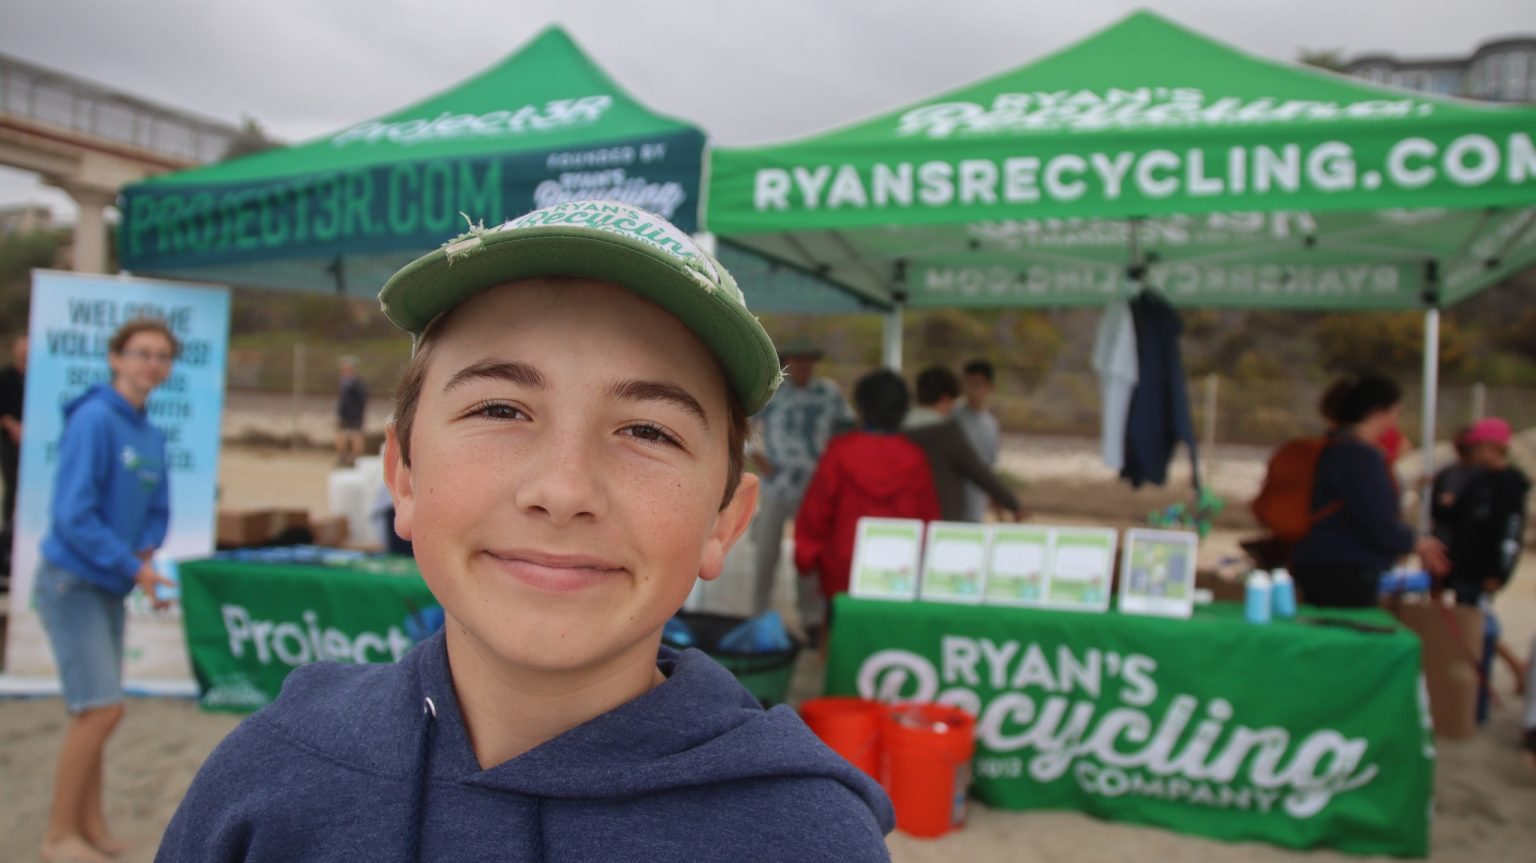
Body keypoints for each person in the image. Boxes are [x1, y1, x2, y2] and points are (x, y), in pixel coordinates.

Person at [157, 201, 893, 862]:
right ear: (404, 476)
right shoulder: (264, 782)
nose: (562, 491)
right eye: (500, 410)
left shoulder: (812, 838)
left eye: (648, 430)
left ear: (724, 522)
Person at [35, 318, 177, 863]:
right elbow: (73, 515)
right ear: (116, 358)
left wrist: (143, 562)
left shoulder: (150, 432)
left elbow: (156, 511)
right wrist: (132, 568)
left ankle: (89, 827)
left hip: (110, 585)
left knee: (94, 711)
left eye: (162, 355)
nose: (152, 363)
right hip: (71, 581)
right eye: (141, 352)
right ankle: (57, 837)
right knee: (99, 710)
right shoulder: (93, 418)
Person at [794, 370, 940, 636]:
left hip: (843, 569)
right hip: (899, 572)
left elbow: (816, 512)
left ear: (861, 407)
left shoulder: (841, 452)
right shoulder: (914, 458)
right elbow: (928, 518)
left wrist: (805, 557)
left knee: (843, 642)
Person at [1291, 374, 1448, 608]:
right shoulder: (1360, 455)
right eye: (1396, 412)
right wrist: (1414, 542)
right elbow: (1376, 518)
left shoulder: (1334, 446)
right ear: (1379, 410)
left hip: (1320, 560)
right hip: (1345, 567)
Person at [747, 336, 852, 627]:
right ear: (788, 361)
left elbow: (848, 427)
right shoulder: (772, 391)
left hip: (814, 488)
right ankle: (757, 616)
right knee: (766, 552)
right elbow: (743, 423)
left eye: (808, 360)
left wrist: (836, 466)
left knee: (809, 553)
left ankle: (812, 617)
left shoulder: (828, 392)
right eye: (797, 359)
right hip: (776, 484)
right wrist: (756, 454)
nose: (803, 365)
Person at [904, 365, 1024, 523]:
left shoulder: (898, 428)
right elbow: (979, 471)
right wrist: (1013, 504)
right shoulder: (947, 431)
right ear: (946, 398)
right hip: (943, 518)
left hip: (904, 518)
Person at [953, 358, 1002, 523]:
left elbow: (989, 470)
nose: (972, 390)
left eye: (978, 384)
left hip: (976, 508)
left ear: (990, 387)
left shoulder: (991, 425)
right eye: (968, 384)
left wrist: (998, 508)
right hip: (951, 505)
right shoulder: (952, 417)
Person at [0, 333, 26, 581]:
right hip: (10, 441)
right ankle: (8, 530)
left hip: (33, 443)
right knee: (12, 486)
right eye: (21, 348)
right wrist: (11, 426)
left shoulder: (38, 377)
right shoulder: (6, 377)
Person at [335, 355, 368, 467]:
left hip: (353, 414)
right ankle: (343, 457)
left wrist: (355, 411)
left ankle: (354, 458)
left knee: (356, 436)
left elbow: (361, 399)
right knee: (342, 435)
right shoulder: (346, 381)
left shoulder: (355, 383)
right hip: (346, 414)